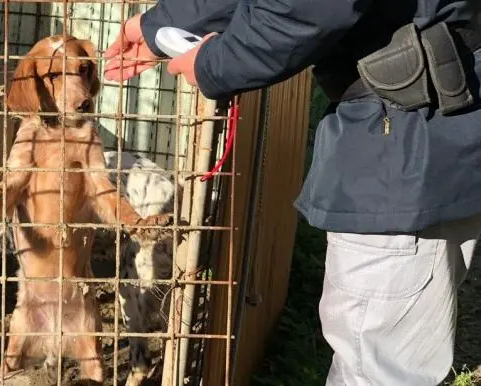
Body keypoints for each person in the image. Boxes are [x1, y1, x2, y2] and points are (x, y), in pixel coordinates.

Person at [103, 1, 481, 385]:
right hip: (420, 113)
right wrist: (161, 25)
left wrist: (218, 62)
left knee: (378, 369)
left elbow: (312, 5)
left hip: (408, 130)